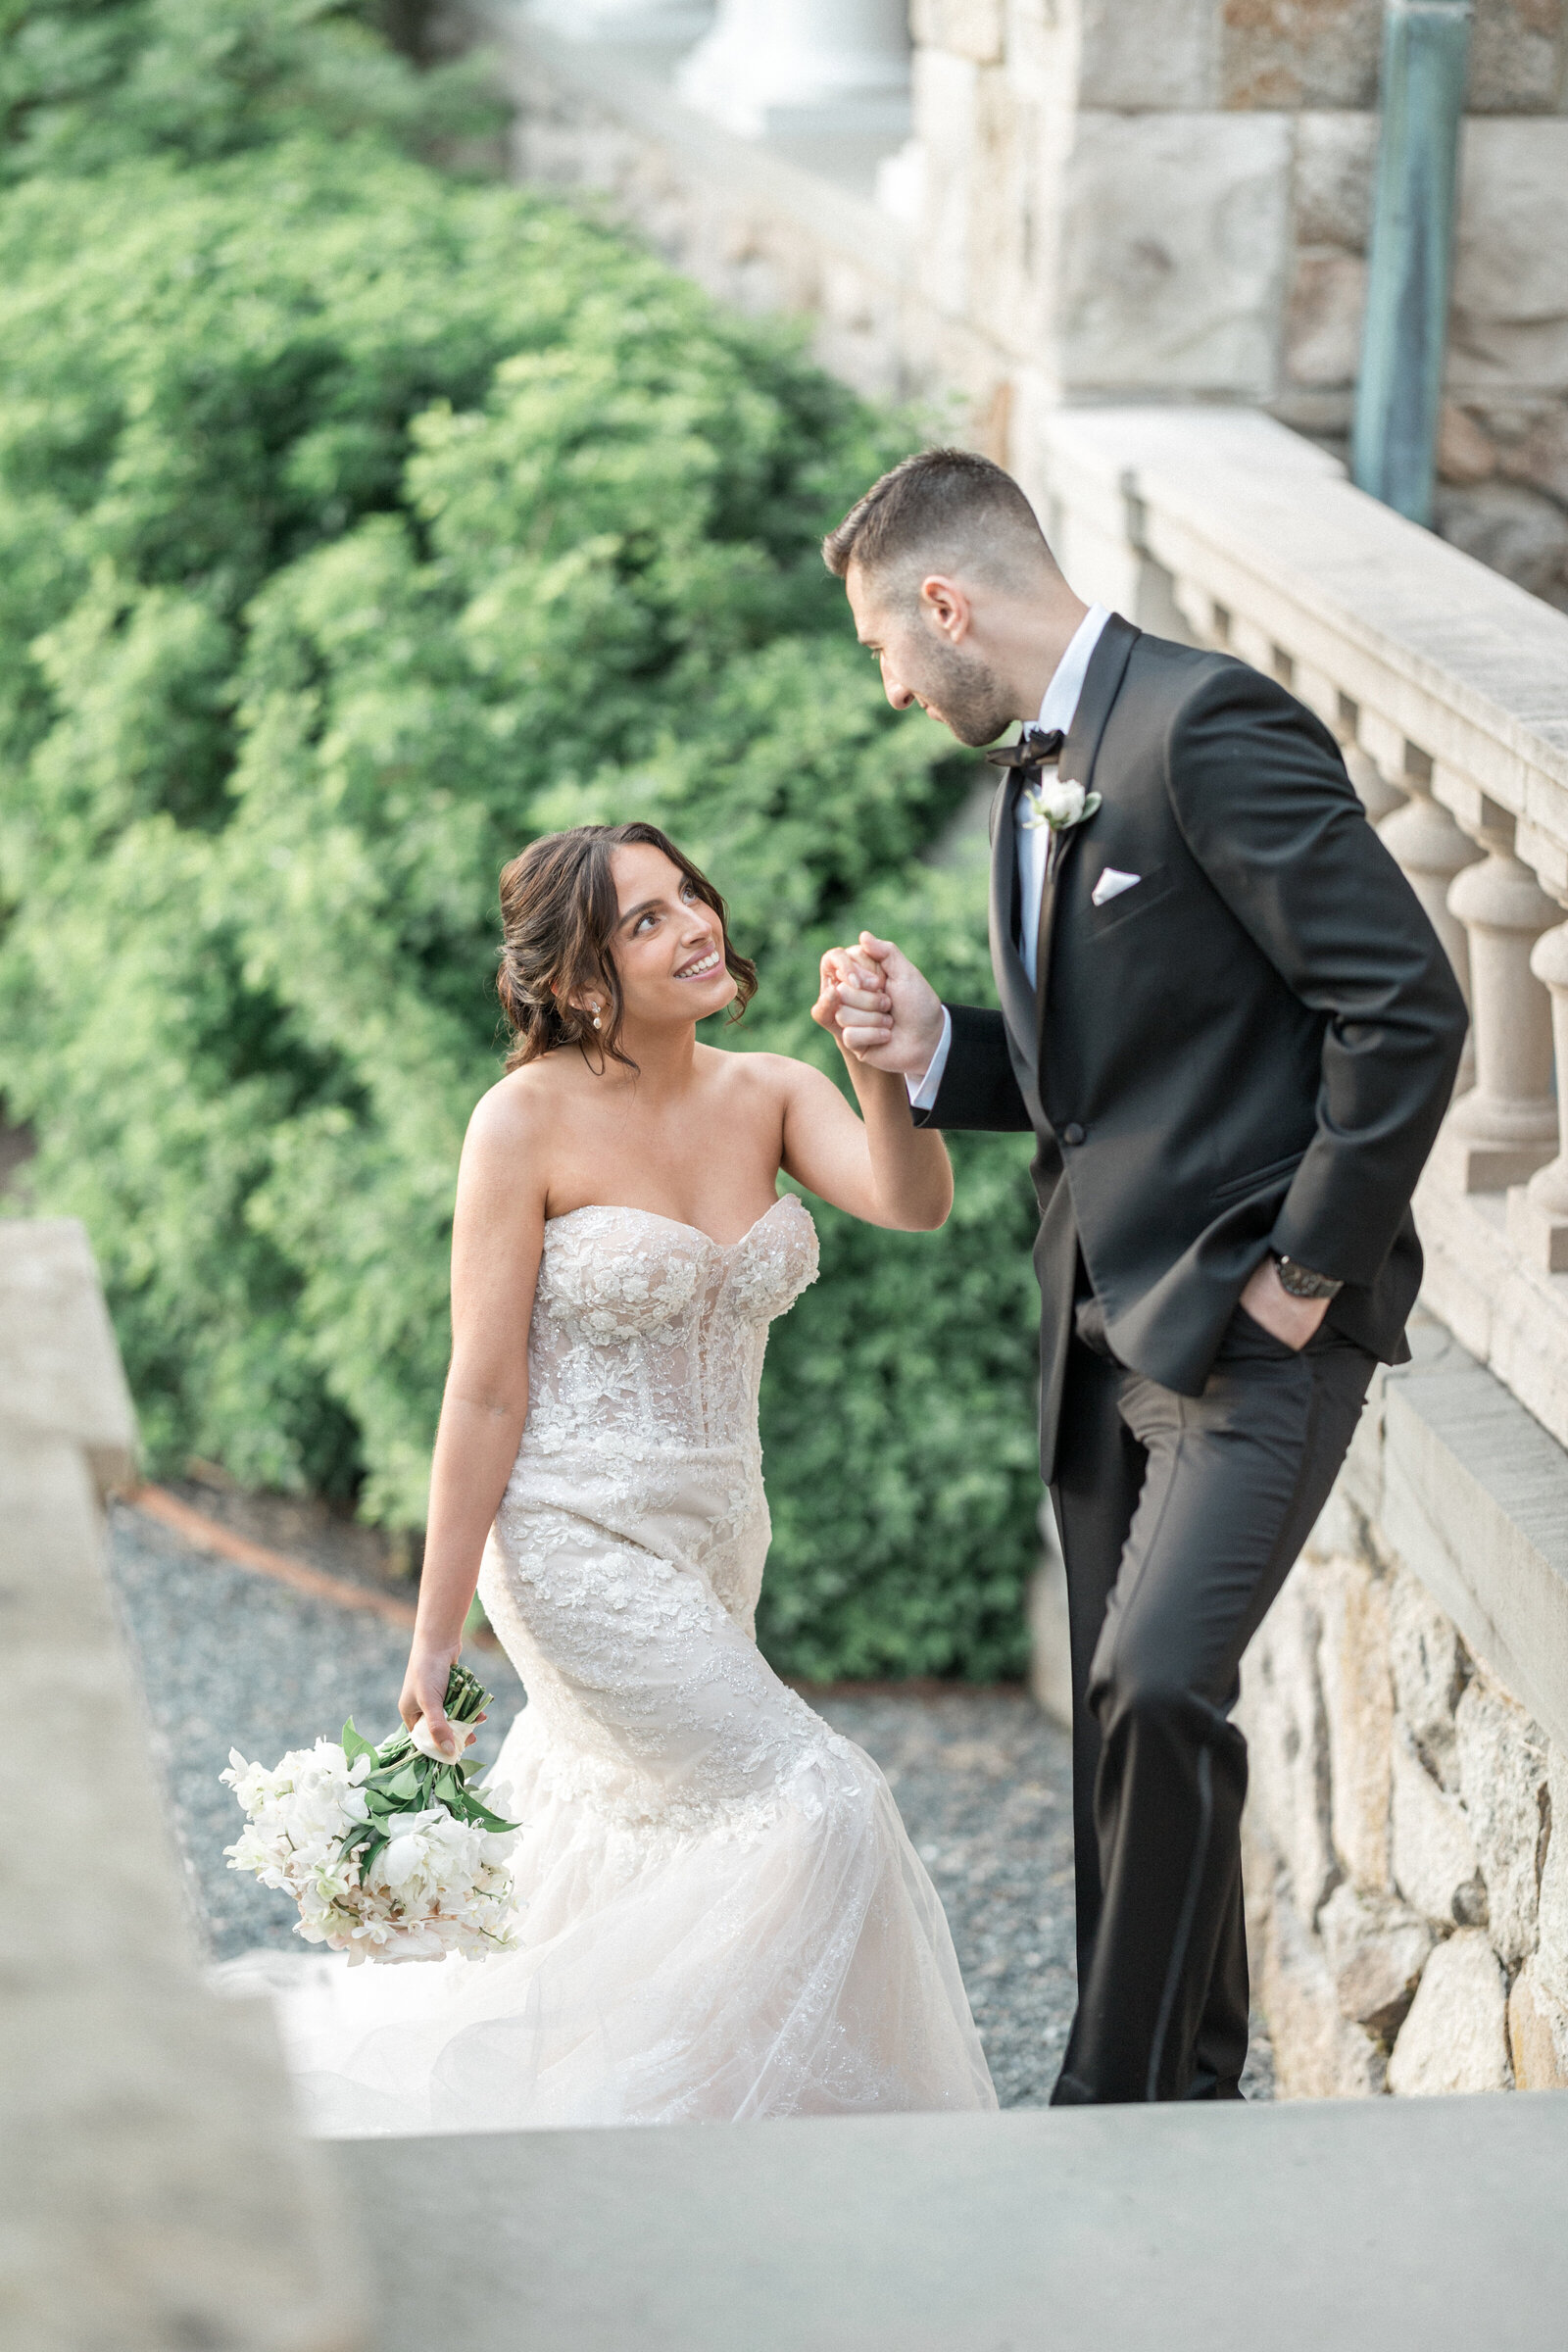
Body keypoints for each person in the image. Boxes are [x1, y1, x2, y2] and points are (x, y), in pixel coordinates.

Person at [815, 448, 1467, 2105]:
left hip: (1250, 1329)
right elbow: (1111, 1073)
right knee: (1130, 1721)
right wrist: (939, 1044)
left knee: (1156, 1681)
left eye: (890, 651)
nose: (894, 690)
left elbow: (1405, 1007)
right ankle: (1181, 2089)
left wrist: (1308, 1272)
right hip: (1100, 1337)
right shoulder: (1043, 771)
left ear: (946, 603)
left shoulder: (1206, 726)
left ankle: (1105, 2114)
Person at [246, 819, 996, 2133]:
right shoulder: (521, 1121)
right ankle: (783, 2126)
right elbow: (481, 1389)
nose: (696, 922)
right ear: (585, 980)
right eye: (647, 919)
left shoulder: (764, 1088)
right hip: (568, 1539)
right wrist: (435, 1636)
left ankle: (600, 2121)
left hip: (716, 1535)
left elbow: (909, 1197)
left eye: (688, 895)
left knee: (643, 1826)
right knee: (814, 1798)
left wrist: (876, 1066)